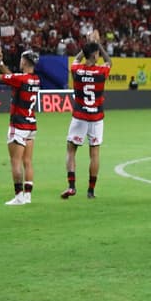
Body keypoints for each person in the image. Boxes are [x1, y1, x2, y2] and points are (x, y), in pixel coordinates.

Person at [61, 39, 112, 200]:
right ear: (96, 55)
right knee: (95, 154)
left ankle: (71, 186)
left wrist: (87, 47)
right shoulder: (101, 71)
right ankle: (90, 191)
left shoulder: (76, 69)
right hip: (96, 118)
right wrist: (99, 45)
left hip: (80, 117)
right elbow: (109, 61)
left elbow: (76, 59)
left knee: (71, 150)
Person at [0, 45, 40, 206]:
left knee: (15, 161)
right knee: (28, 161)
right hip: (31, 125)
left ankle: (18, 195)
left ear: (25, 62)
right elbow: (14, 77)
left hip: (18, 125)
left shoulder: (21, 79)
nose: (19, 61)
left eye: (21, 59)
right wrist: (3, 64)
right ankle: (28, 196)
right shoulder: (35, 79)